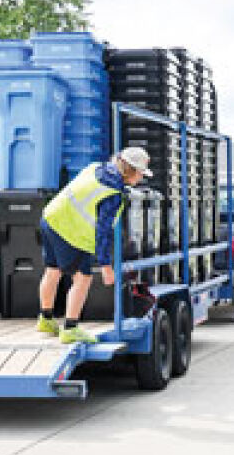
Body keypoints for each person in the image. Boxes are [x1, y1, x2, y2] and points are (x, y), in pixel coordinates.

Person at [36, 147, 151, 344]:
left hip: (51, 218)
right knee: (82, 278)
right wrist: (106, 266)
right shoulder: (113, 194)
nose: (141, 178)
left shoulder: (95, 168)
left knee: (52, 271)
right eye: (140, 173)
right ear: (129, 170)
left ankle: (45, 319)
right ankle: (70, 328)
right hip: (70, 232)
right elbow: (103, 232)